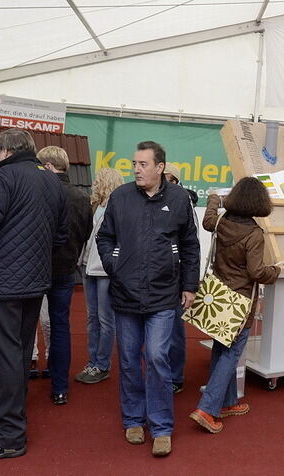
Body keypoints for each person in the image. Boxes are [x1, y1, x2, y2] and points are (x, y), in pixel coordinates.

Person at [0, 128, 66, 462]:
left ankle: (8, 436)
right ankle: (11, 426)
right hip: (34, 281)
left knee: (5, 358)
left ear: (3, 151)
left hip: (0, 283)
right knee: (17, 357)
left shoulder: (2, 180)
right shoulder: (51, 181)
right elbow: (60, 235)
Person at [97, 141, 200, 457]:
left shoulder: (179, 199)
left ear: (160, 167)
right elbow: (105, 237)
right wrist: (116, 263)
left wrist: (189, 285)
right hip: (125, 292)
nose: (137, 170)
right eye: (134, 164)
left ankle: (162, 427)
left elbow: (190, 245)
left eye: (143, 164)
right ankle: (132, 419)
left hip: (163, 293)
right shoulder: (121, 197)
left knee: (157, 356)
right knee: (128, 358)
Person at [188, 177, 281, 434]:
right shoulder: (254, 234)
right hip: (241, 302)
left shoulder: (219, 221)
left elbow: (208, 220)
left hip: (218, 297)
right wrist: (276, 270)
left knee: (221, 347)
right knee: (231, 354)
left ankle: (228, 402)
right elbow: (257, 272)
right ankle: (207, 408)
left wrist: (215, 199)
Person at [37, 145, 93, 406]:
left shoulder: (39, 193)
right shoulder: (82, 197)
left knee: (25, 325)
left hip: (35, 270)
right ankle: (60, 386)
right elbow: (85, 233)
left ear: (47, 166)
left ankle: (20, 379)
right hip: (66, 269)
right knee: (61, 326)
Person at [75, 168, 125, 384]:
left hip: (105, 270)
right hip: (87, 267)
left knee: (106, 319)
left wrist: (113, 265)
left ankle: (102, 364)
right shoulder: (95, 205)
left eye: (98, 179)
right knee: (92, 318)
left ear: (106, 182)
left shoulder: (119, 207)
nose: (94, 182)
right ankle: (93, 361)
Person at [163, 162, 198, 394]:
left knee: (174, 330)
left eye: (166, 177)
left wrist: (189, 285)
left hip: (176, 280)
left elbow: (191, 249)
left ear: (175, 180)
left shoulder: (184, 205)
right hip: (157, 279)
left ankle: (175, 376)